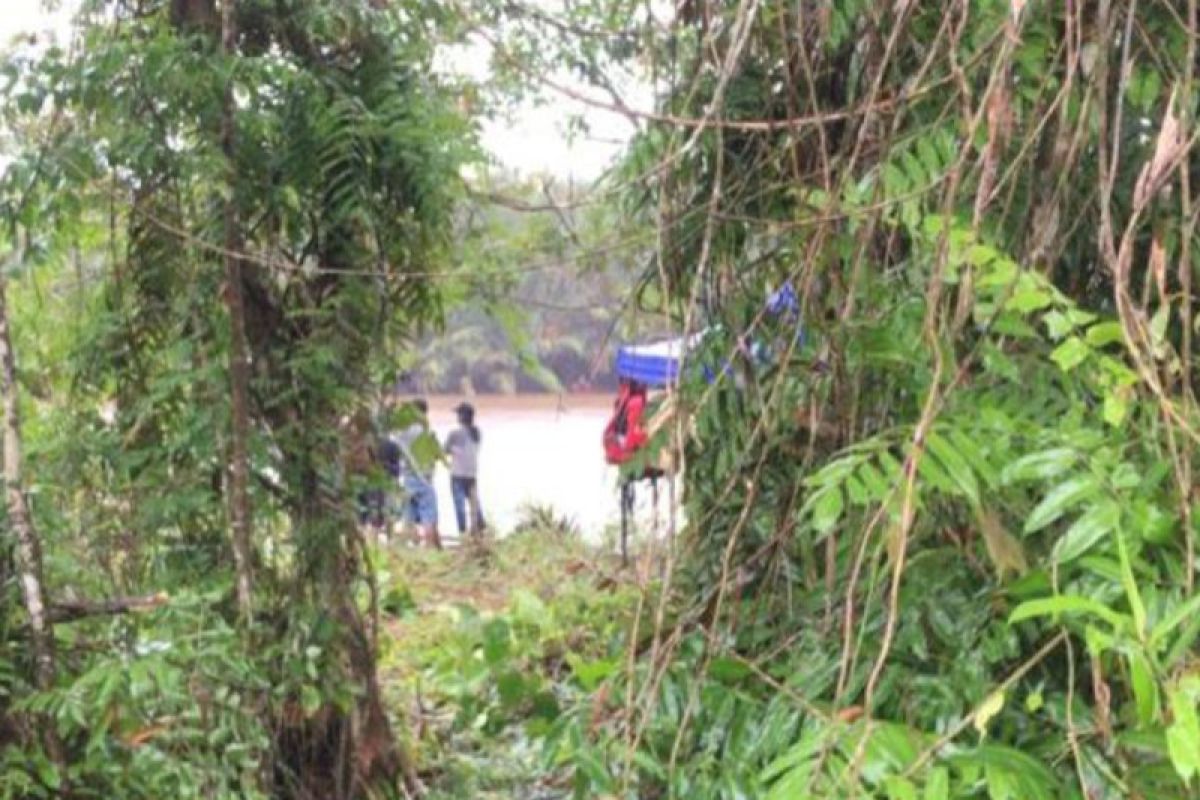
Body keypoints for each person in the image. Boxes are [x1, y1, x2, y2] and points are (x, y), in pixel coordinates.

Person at [394, 398, 441, 549]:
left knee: (408, 518)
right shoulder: (426, 433)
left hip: (408, 479)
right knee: (429, 517)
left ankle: (406, 550)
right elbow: (434, 456)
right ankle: (428, 549)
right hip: (424, 480)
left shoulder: (402, 433)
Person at [444, 402, 485, 537]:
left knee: (459, 504)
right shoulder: (477, 433)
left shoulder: (455, 433)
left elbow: (445, 450)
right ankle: (480, 528)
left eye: (458, 414)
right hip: (471, 473)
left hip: (458, 474)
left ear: (462, 416)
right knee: (474, 502)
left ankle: (462, 532)